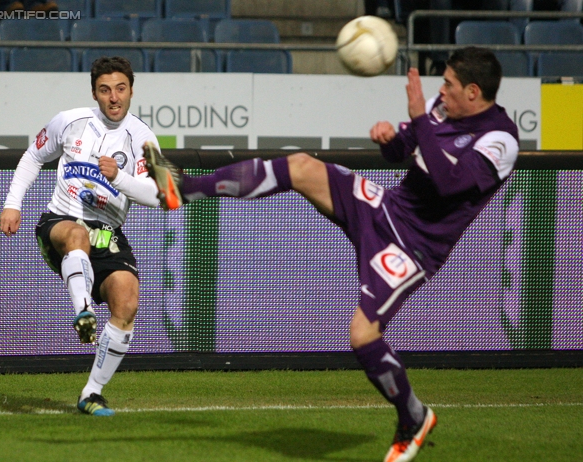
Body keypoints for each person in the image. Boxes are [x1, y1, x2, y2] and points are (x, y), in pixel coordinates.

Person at [144, 46, 519, 462]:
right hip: (385, 206)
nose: (440, 90)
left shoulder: (500, 140)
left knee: (362, 336)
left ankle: (413, 416)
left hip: (413, 246)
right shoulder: (439, 109)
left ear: (472, 91)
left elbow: (450, 183)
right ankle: (186, 187)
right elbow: (403, 152)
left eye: (448, 84)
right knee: (302, 166)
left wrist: (416, 117)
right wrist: (391, 139)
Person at [0, 56, 162, 416]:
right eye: (105, 90)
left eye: (121, 89)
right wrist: (13, 204)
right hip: (61, 221)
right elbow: (32, 156)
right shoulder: (70, 122)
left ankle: (92, 393)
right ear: (95, 93)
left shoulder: (143, 139)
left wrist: (118, 177)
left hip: (108, 232)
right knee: (77, 237)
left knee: (128, 300)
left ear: (131, 91)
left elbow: (159, 194)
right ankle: (83, 311)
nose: (114, 97)